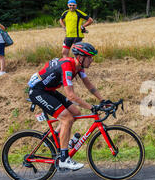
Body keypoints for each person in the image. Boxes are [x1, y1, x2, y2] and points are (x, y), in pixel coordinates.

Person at [27, 42, 106, 170]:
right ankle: (64, 159)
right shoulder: (67, 67)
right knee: (67, 118)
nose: (92, 60)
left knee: (75, 113)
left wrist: (104, 100)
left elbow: (90, 86)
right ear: (80, 58)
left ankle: (54, 138)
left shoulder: (79, 68)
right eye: (90, 57)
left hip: (48, 90)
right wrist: (91, 107)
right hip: (37, 91)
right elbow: (71, 96)